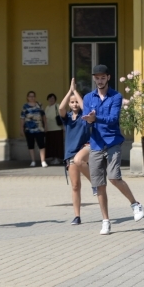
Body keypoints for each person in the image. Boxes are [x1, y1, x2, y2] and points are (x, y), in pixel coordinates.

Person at [83, 64, 144, 235]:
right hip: (95, 144)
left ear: (108, 77)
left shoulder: (116, 96)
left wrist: (95, 118)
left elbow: (112, 119)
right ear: (94, 78)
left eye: (103, 77)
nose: (100, 81)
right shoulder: (88, 97)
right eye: (97, 77)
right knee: (99, 185)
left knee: (114, 177)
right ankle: (106, 221)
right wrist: (88, 120)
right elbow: (85, 119)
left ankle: (135, 204)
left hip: (112, 142)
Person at [59, 78, 93, 225]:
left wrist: (76, 92)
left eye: (76, 102)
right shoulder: (67, 118)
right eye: (72, 102)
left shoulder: (84, 116)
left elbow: (85, 106)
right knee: (75, 185)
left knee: (81, 161)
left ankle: (95, 183)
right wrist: (70, 92)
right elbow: (60, 108)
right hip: (70, 153)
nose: (74, 104)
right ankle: (77, 216)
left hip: (84, 148)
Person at [21, 91, 47, 167]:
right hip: (28, 129)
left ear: (35, 97)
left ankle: (43, 161)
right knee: (30, 145)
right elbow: (22, 118)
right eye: (30, 96)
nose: (32, 98)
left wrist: (45, 125)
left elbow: (44, 116)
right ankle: (33, 161)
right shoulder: (25, 106)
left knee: (41, 144)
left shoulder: (39, 105)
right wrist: (21, 129)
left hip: (39, 128)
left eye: (33, 96)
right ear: (27, 97)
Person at [44, 93, 64, 165]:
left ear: (55, 99)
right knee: (51, 144)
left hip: (57, 129)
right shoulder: (47, 107)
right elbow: (45, 118)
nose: (51, 100)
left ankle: (57, 158)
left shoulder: (57, 106)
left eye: (53, 98)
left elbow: (62, 116)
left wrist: (64, 127)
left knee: (57, 144)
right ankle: (53, 157)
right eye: (50, 98)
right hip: (49, 129)